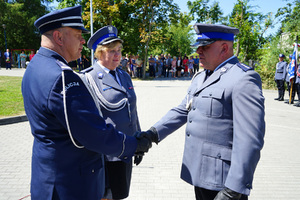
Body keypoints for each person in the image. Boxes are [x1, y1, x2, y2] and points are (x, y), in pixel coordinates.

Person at [21, 6, 151, 200]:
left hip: (49, 177)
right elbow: (93, 133)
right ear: (58, 37)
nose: (83, 40)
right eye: (78, 35)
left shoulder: (36, 67)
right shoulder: (62, 77)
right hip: (70, 183)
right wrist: (134, 145)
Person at [136, 23, 265, 200]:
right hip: (202, 173)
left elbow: (250, 140)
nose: (198, 51)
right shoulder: (201, 77)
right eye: (198, 47)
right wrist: (152, 134)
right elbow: (183, 110)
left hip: (224, 181)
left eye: (205, 46)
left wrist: (235, 188)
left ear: (224, 48)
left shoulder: (243, 79)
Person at [84, 25, 142, 200]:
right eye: (112, 51)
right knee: (105, 196)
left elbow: (132, 111)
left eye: (119, 50)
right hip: (106, 155)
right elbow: (88, 122)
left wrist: (138, 140)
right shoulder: (88, 78)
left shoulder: (124, 76)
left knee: (120, 194)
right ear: (100, 53)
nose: (118, 55)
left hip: (127, 149)